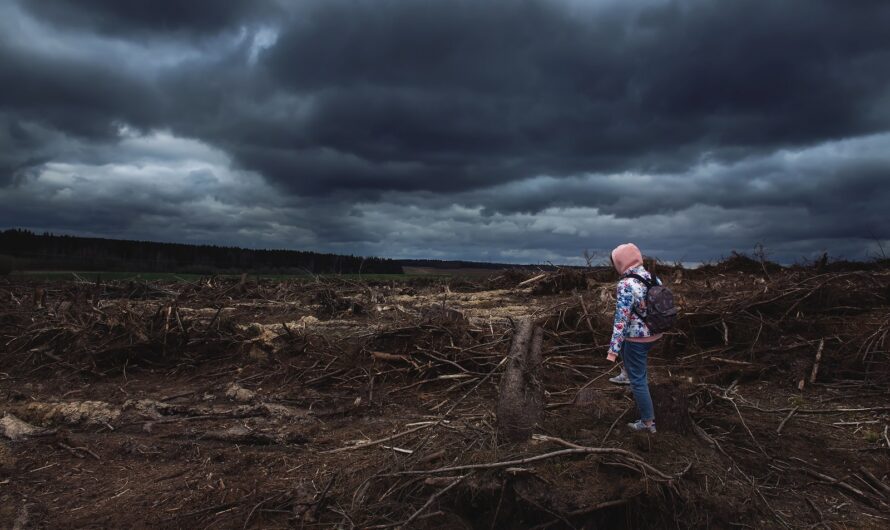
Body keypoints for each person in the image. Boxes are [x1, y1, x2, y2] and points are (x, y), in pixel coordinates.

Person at [605, 243, 662, 433]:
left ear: (621, 262)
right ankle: (626, 372)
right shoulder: (653, 277)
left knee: (638, 381)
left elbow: (621, 320)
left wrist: (612, 351)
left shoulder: (625, 284)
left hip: (637, 338)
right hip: (656, 332)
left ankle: (648, 423)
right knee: (632, 362)